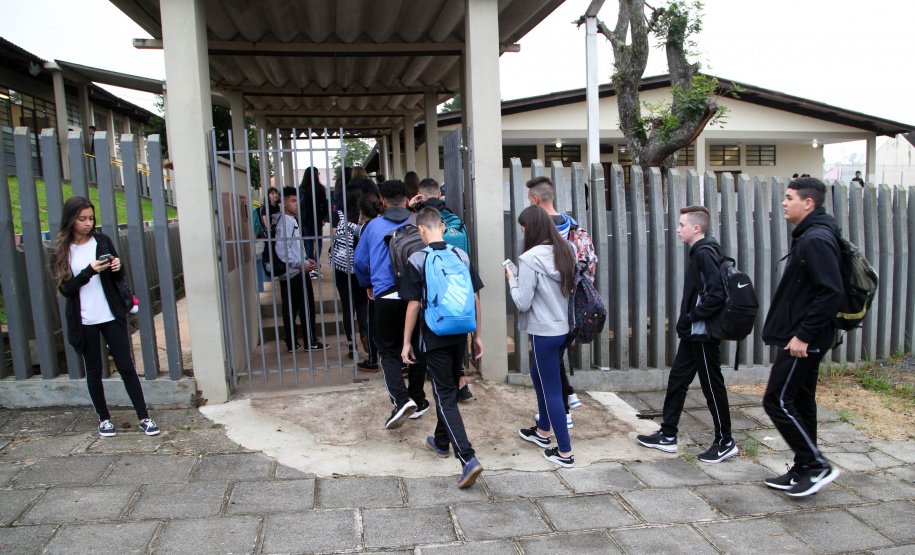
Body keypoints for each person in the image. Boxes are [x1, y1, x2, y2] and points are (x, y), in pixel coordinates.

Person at [50, 196, 160, 438]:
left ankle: (144, 416)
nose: (88, 223)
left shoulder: (102, 240)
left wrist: (116, 265)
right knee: (94, 369)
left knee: (126, 366)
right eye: (82, 219)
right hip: (84, 318)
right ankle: (104, 419)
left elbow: (118, 276)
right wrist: (89, 271)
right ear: (71, 220)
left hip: (110, 313)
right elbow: (66, 289)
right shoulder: (61, 249)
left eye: (90, 218)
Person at [761, 177, 843, 497]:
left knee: (776, 400)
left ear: (808, 203)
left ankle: (816, 465)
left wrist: (803, 336)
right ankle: (803, 468)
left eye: (790, 197)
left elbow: (831, 292)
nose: (784, 202)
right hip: (807, 334)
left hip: (805, 338)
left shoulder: (816, 239)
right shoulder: (811, 235)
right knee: (800, 401)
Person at [636, 205, 737, 463]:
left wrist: (690, 318)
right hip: (694, 333)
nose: (678, 229)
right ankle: (668, 435)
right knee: (678, 379)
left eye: (681, 225)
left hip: (701, 334)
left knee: (712, 386)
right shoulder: (703, 252)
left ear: (696, 228)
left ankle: (725, 441)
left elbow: (717, 296)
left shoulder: (704, 253)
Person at [400, 207, 485, 488]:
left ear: (421, 229)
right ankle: (440, 441)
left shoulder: (418, 258)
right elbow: (474, 297)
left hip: (434, 336)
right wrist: (478, 336)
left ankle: (468, 458)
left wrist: (405, 343)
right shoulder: (461, 255)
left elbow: (413, 304)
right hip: (460, 333)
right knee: (446, 387)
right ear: (443, 228)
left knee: (444, 395)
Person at [353, 180, 428, 429]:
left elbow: (360, 264)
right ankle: (418, 398)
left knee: (387, 350)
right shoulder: (419, 222)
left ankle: (401, 399)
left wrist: (368, 285)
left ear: (382, 201)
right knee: (416, 345)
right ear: (407, 199)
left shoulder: (372, 227)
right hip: (417, 296)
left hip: (385, 295)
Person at [507, 205, 577, 468]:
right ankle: (543, 432)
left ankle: (565, 453)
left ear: (531, 229)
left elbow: (523, 303)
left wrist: (512, 279)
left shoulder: (530, 258)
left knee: (552, 392)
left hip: (545, 332)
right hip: (565, 330)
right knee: (539, 375)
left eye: (523, 229)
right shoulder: (565, 250)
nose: (522, 233)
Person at [527, 176, 593, 427]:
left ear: (535, 199)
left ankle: (560, 414)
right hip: (574, 307)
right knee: (555, 356)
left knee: (546, 363)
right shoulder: (574, 227)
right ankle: (567, 399)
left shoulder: (540, 232)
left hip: (547, 312)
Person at [409, 177, 474, 401]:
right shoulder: (454, 219)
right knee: (455, 350)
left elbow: (414, 303)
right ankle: (460, 383)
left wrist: (411, 207)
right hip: (460, 298)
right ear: (439, 194)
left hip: (434, 308)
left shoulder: (418, 218)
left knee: (442, 388)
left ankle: (444, 391)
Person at [272, 187, 326, 352]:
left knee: (291, 308)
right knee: (305, 307)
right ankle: (310, 340)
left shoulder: (289, 219)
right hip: (294, 272)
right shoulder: (286, 221)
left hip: (294, 270)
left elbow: (292, 246)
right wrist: (298, 263)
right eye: (292, 201)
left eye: (297, 201)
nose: (296, 204)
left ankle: (292, 341)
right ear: (284, 202)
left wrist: (304, 259)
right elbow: (282, 248)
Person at [329, 182, 371, 361]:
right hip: (359, 267)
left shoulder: (337, 216)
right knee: (362, 304)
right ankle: (365, 333)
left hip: (341, 267)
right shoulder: (364, 218)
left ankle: (351, 347)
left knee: (347, 307)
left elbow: (333, 238)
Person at [353, 191, 384, 372]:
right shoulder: (386, 224)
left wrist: (366, 283)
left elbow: (359, 260)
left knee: (373, 322)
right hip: (393, 280)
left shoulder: (365, 229)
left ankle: (373, 360)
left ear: (361, 211)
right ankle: (403, 363)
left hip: (375, 282)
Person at [298, 167, 328, 271]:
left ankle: (309, 264)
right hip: (317, 218)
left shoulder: (301, 188)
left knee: (308, 242)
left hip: (305, 219)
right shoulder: (319, 188)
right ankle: (316, 264)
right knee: (318, 242)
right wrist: (323, 217)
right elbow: (324, 204)